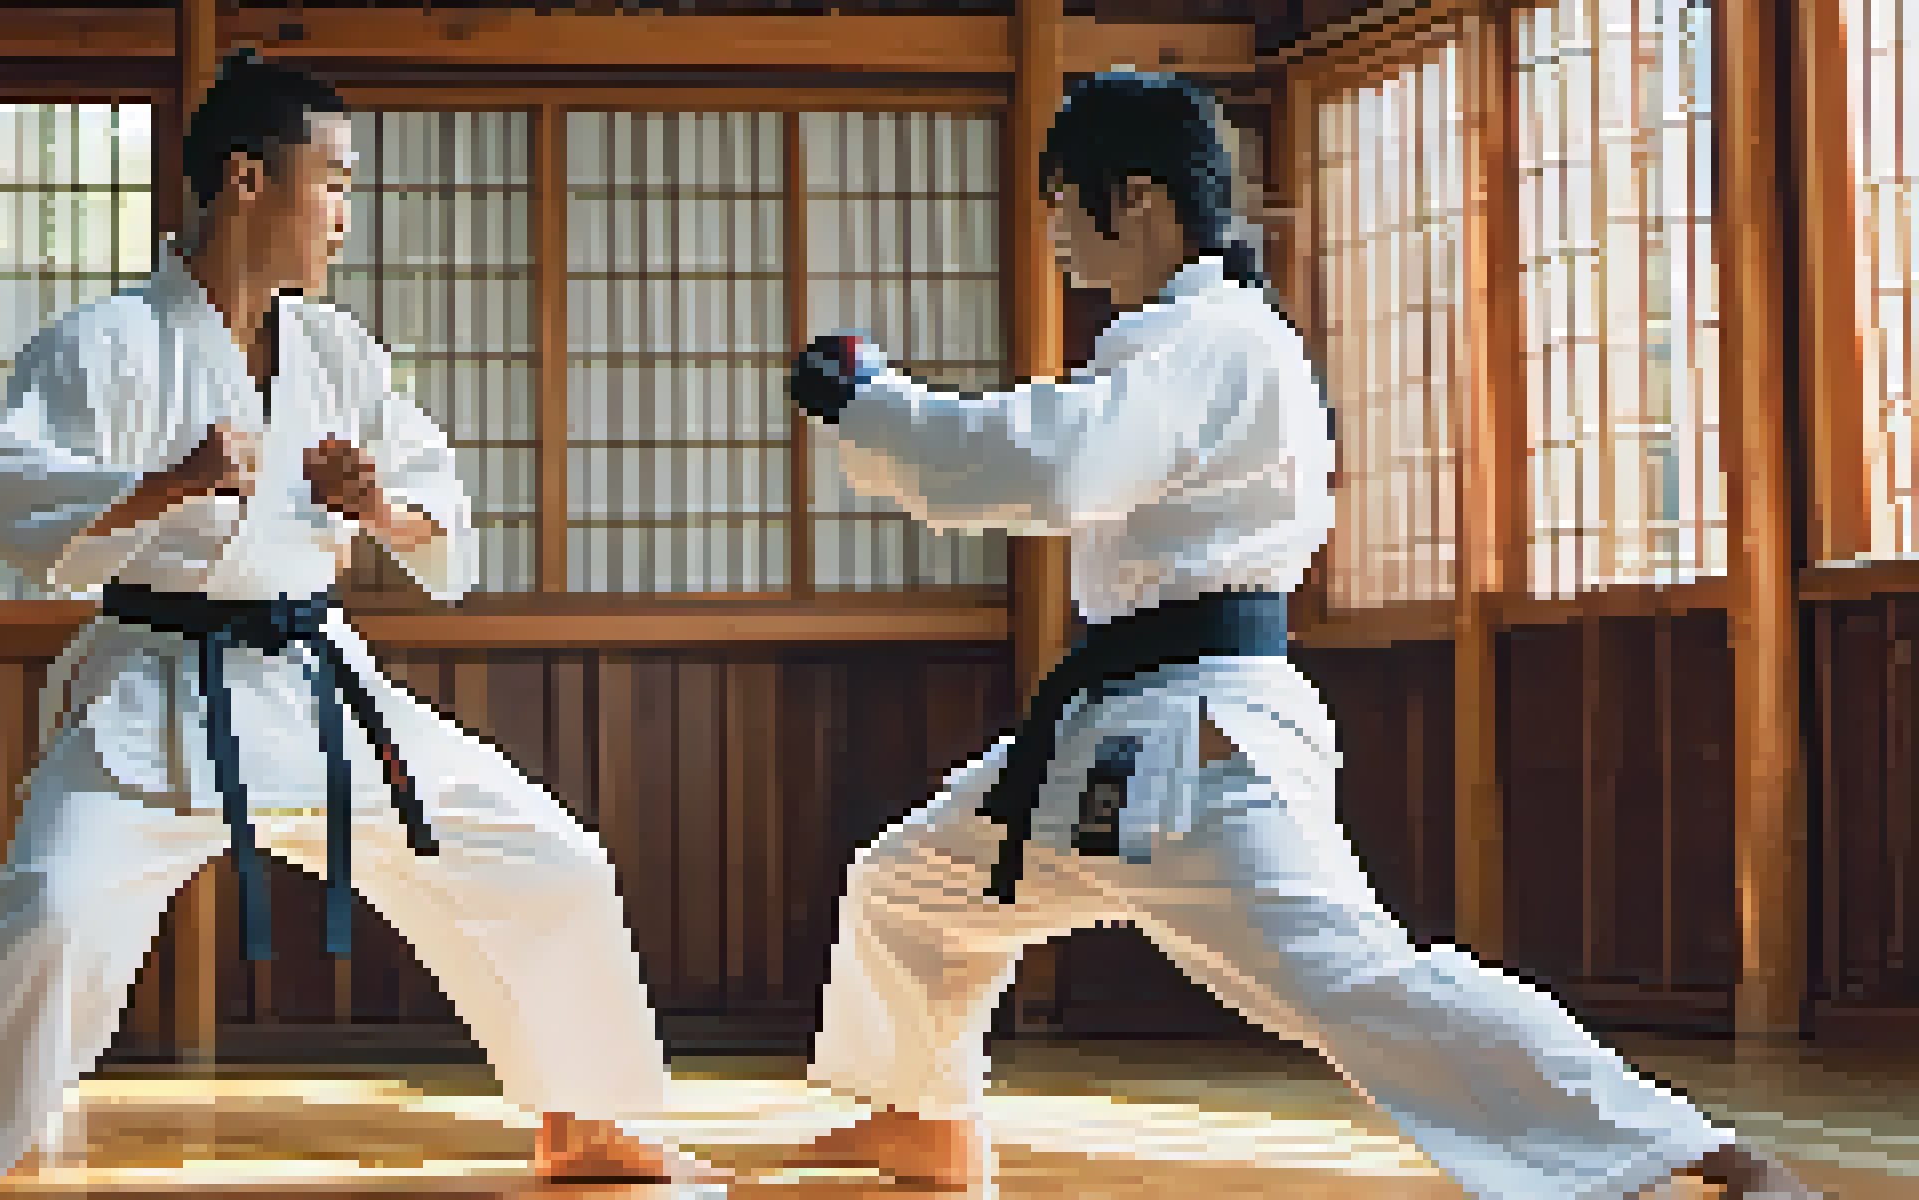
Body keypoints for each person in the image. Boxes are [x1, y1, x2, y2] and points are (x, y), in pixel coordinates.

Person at [776, 71, 1817, 1200]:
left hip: (1201, 749)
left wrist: (876, 401)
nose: (1059, 236)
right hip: (1114, 735)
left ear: (1142, 201)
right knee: (912, 881)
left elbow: (1053, 461)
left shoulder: (1206, 337)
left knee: (1363, 983)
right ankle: (927, 1122)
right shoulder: (1179, 336)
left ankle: (1700, 1156)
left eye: (1069, 205)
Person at [0, 55, 710, 1199]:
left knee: (548, 859)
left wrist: (375, 507)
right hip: (156, 687)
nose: (345, 213)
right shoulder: (105, 345)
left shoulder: (339, 352)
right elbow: (13, 496)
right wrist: (168, 484)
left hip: (316, 680)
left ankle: (585, 1119)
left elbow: (439, 512)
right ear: (247, 179)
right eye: (331, 182)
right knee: (50, 915)